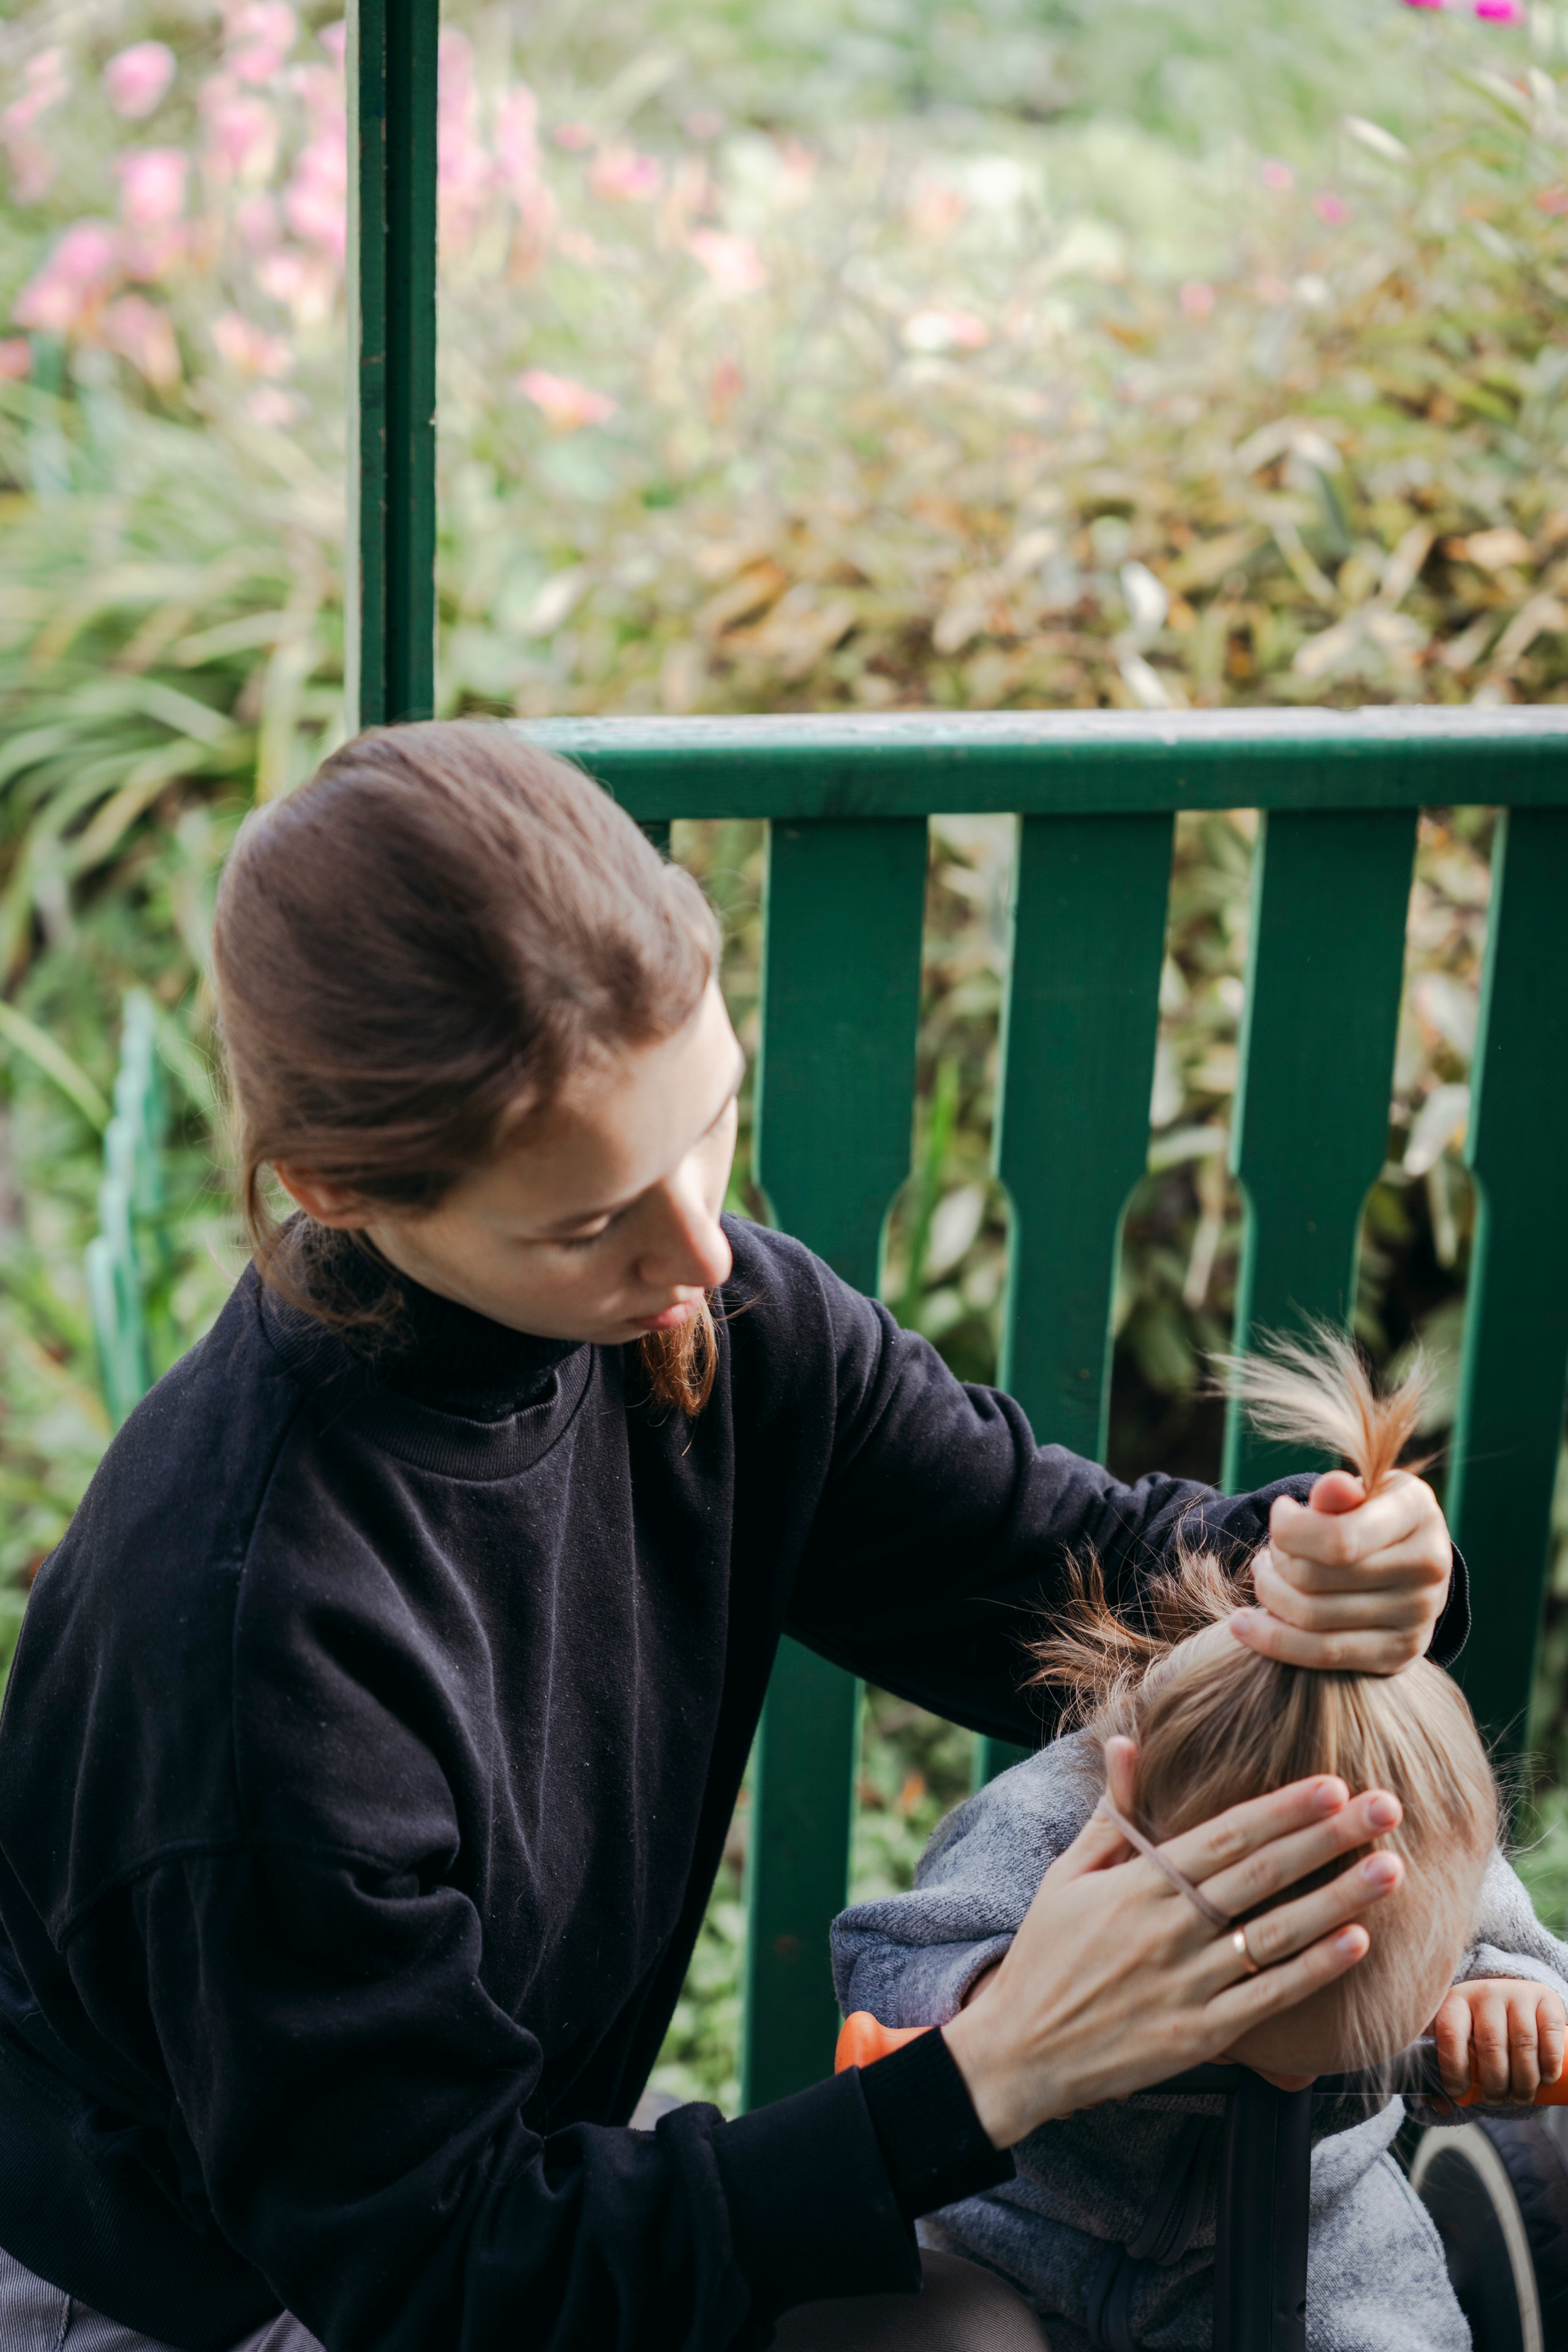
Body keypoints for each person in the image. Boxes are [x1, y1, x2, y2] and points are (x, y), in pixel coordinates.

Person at [0, 726, 1463, 2352]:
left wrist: (1322, 1562)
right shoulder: (253, 1642)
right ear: (336, 1189)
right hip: (211, 2298)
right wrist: (995, 2071)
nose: (702, 1244)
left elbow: (1073, 1563)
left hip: (489, 2212)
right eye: (588, 1217)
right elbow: (455, 2276)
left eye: (708, 1123)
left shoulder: (712, 1322)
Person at [832, 1336, 1564, 2350]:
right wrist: (998, 2000)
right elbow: (887, 1961)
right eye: (1232, 2031)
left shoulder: (1419, 1833)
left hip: (1317, 2236)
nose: (1289, 2088)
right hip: (1015, 2236)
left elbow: (1508, 1956)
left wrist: (1506, 2002)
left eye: (1335, 2060)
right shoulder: (1053, 1827)